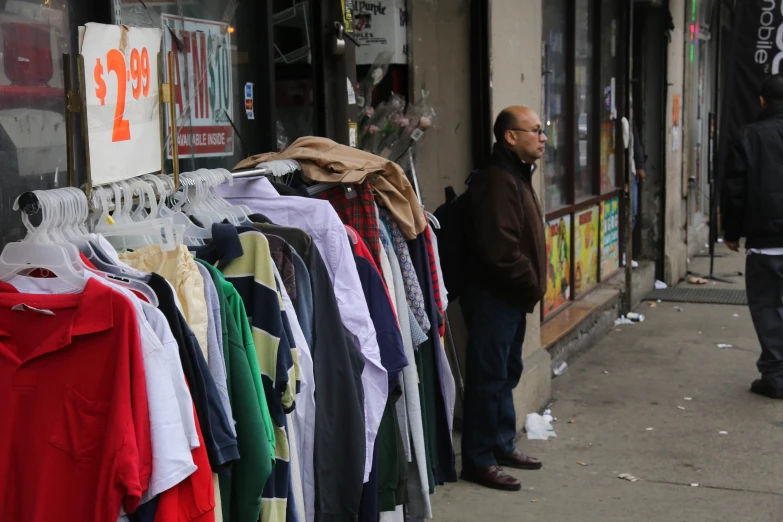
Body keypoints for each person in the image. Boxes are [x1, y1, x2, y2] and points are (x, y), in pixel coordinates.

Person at [459, 106, 547, 491]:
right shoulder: (498, 179)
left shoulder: (516, 174)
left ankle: (500, 444)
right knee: (488, 377)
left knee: (505, 373)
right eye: (536, 130)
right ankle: (478, 461)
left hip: (509, 297)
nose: (543, 137)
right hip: (494, 296)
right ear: (510, 136)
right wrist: (530, 282)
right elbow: (500, 251)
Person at [722, 74, 783, 400]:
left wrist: (732, 233)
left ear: (762, 101)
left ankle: (775, 374)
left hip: (767, 241)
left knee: (767, 306)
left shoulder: (749, 136)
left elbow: (735, 189)